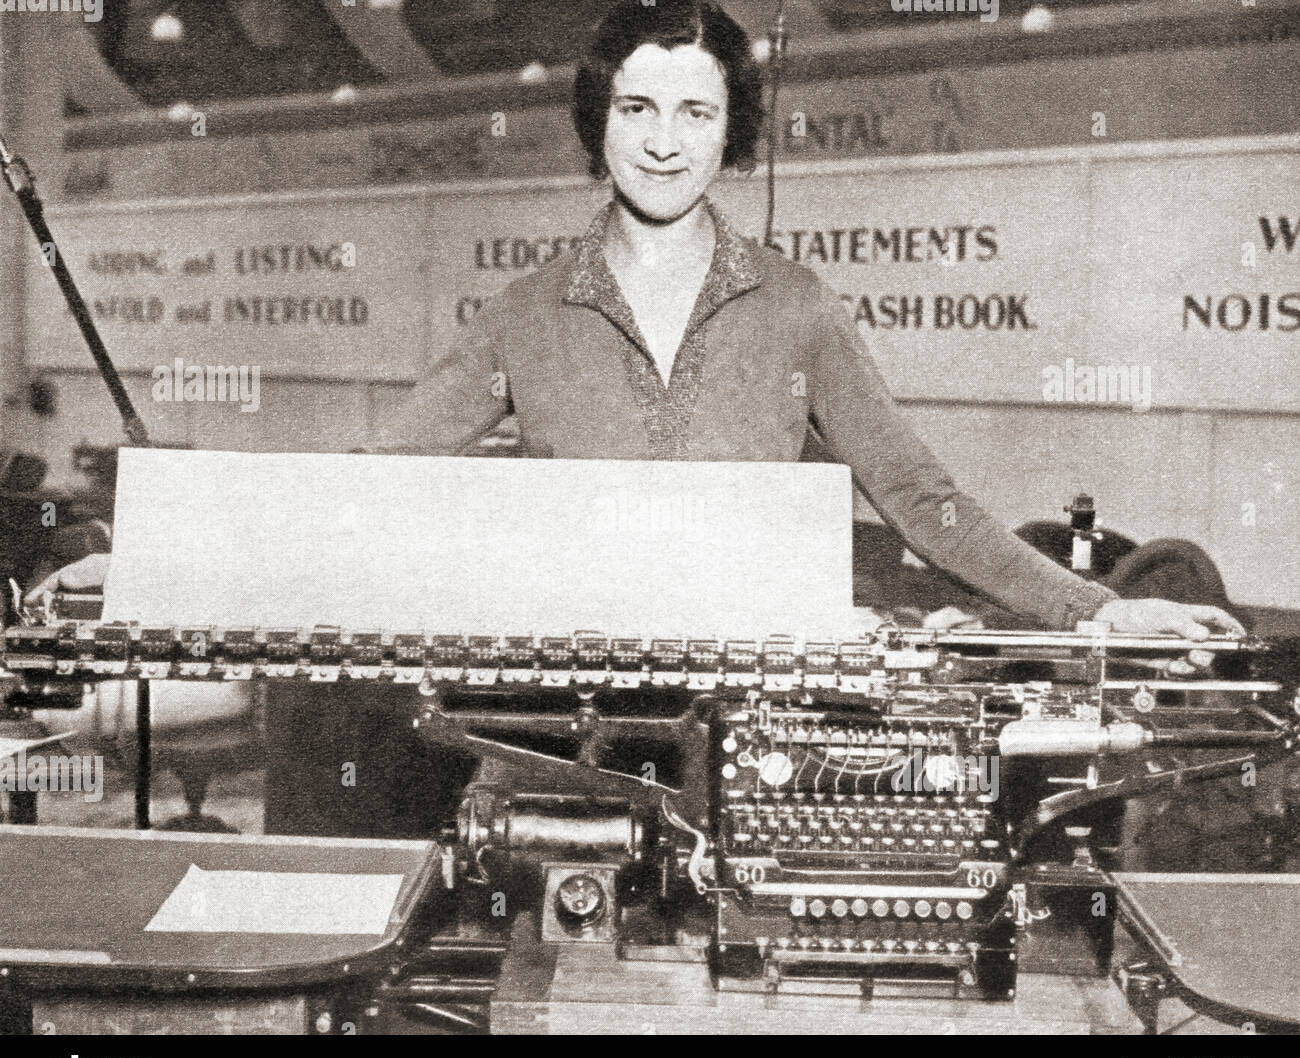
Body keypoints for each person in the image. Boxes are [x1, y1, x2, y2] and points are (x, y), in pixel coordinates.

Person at [28, 0, 1242, 836]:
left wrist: (1099, 609)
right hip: (568, 721)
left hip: (744, 717)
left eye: (697, 115)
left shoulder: (796, 305)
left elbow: (923, 501)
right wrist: (157, 562)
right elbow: (374, 475)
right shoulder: (527, 308)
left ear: (733, 130)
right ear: (598, 120)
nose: (664, 145)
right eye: (638, 111)